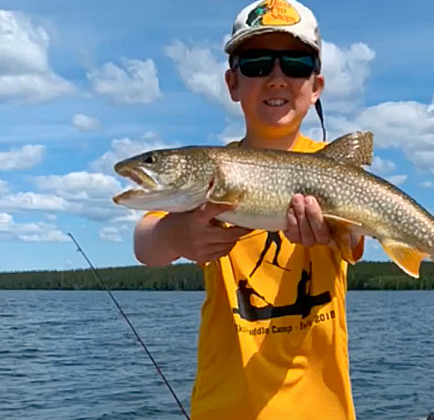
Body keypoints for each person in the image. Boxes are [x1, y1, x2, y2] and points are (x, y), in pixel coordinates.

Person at [133, 1, 363, 419]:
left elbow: (357, 240)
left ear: (316, 86)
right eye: (256, 63)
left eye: (295, 64)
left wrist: (343, 231)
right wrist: (179, 234)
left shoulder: (338, 174)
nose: (277, 78)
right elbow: (146, 246)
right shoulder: (208, 176)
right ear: (232, 83)